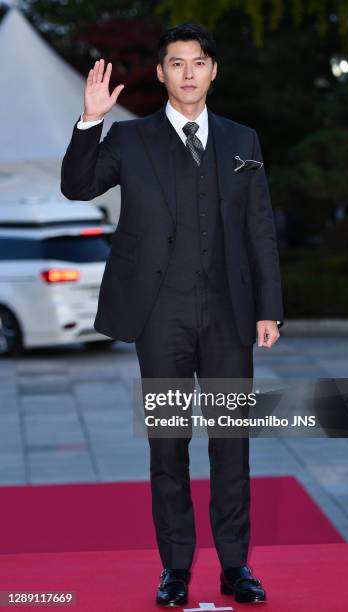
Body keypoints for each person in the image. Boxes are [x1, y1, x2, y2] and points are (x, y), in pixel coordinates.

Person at [61, 22, 284, 607]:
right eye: (176, 63)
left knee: (232, 443)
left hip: (231, 315)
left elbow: (259, 229)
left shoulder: (243, 141)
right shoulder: (131, 141)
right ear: (160, 74)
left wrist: (270, 308)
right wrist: (90, 121)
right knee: (168, 445)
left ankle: (236, 566)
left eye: (199, 62)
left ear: (213, 70)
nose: (188, 73)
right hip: (160, 318)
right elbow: (77, 187)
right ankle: (175, 570)